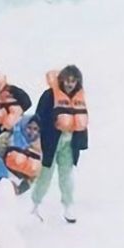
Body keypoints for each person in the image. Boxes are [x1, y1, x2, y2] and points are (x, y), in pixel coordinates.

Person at [33, 64, 88, 222]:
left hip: (70, 141)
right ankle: (36, 204)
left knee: (66, 175)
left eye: (73, 81)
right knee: (45, 174)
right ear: (61, 80)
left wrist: (82, 142)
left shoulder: (79, 98)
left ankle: (68, 206)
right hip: (51, 140)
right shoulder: (49, 95)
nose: (70, 84)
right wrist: (36, 139)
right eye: (67, 80)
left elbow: (83, 119)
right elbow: (38, 118)